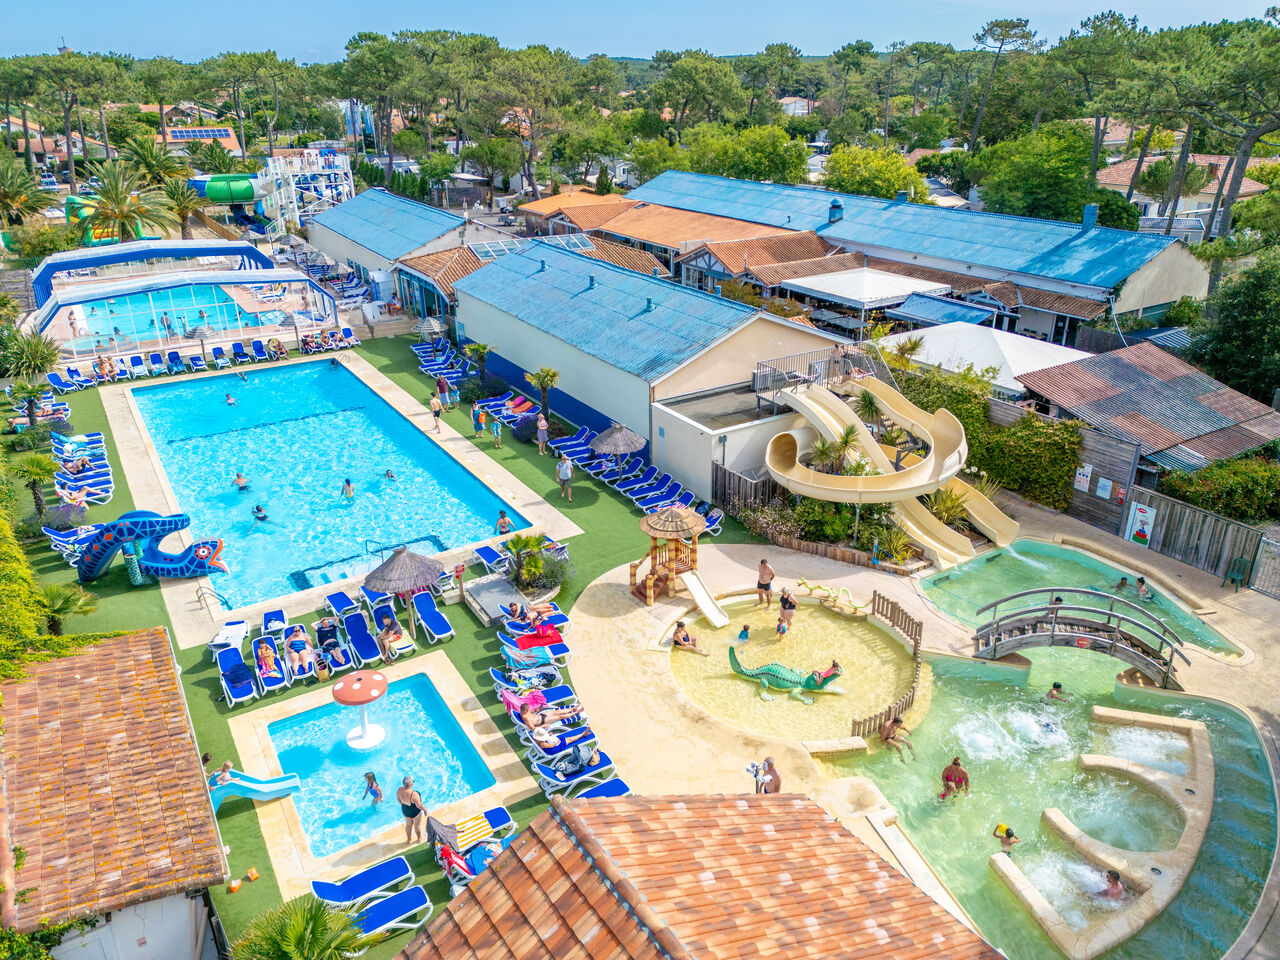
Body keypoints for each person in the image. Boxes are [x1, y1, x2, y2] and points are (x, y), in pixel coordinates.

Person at [397, 776, 426, 844]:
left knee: (408, 825)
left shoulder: (399, 790)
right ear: (411, 784)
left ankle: (409, 839)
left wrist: (405, 805)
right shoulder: (414, 794)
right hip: (414, 811)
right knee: (417, 825)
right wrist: (425, 810)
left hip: (405, 809)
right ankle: (419, 839)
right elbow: (419, 805)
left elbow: (399, 800)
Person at [518, 701, 583, 730]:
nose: (529, 709)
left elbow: (534, 711)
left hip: (541, 715)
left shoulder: (524, 711)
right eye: (528, 708)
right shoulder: (526, 719)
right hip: (543, 720)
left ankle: (573, 708)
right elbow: (533, 729)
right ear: (525, 711)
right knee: (560, 717)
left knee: (557, 711)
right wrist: (544, 726)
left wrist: (539, 708)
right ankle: (576, 712)